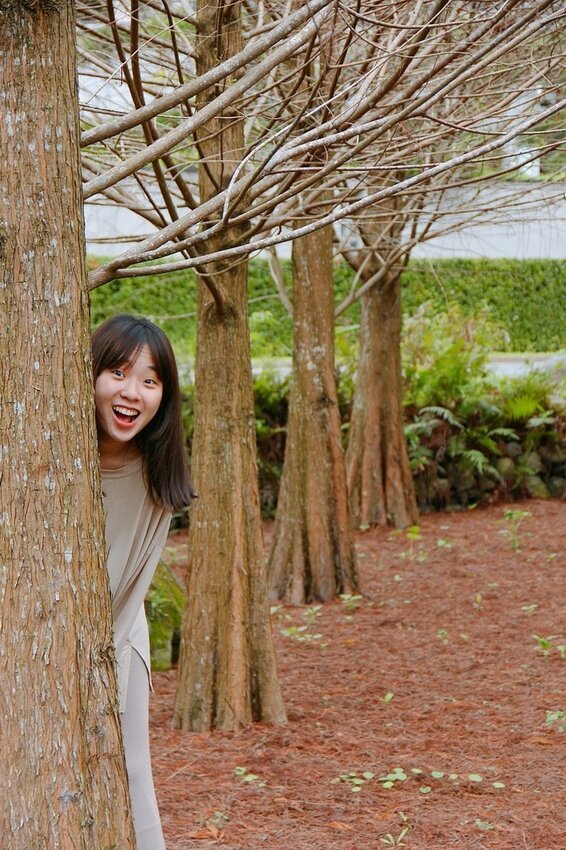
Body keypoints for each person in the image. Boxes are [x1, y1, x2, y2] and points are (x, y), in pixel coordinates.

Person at [91, 314, 194, 850]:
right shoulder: (39, 456)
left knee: (132, 771)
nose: (132, 392)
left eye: (150, 380)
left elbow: (131, 586)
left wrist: (92, 668)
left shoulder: (158, 476)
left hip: (119, 634)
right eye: (118, 372)